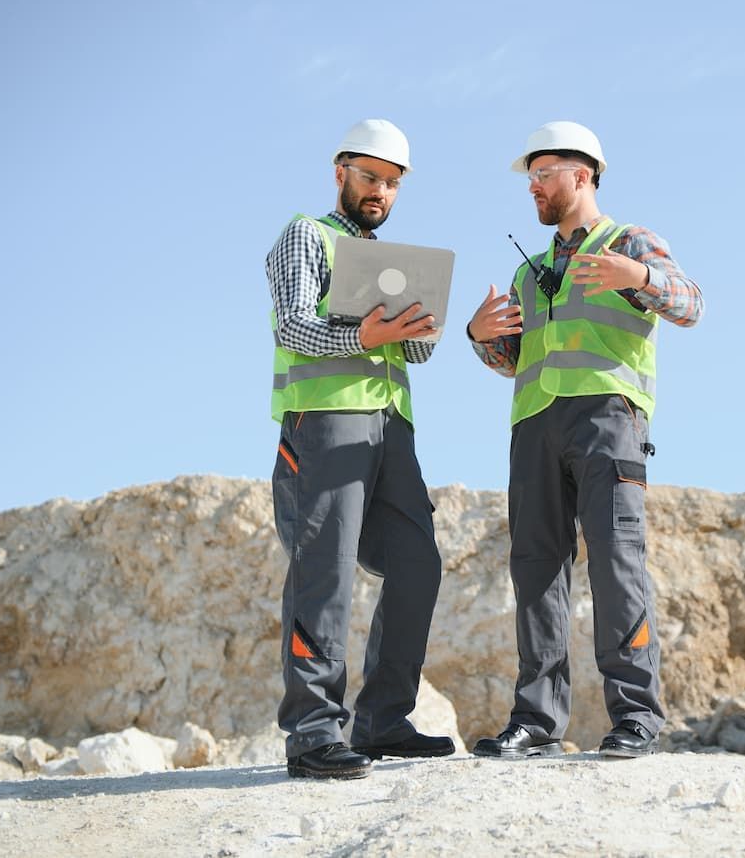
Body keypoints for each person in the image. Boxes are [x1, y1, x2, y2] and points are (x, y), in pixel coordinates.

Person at [466, 120, 704, 759]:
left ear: (582, 174)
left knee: (616, 559)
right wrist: (480, 334)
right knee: (536, 569)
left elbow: (691, 304)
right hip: (535, 423)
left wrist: (639, 276)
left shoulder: (631, 241)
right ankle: (536, 722)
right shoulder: (531, 271)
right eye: (531, 178)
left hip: (609, 418)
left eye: (543, 174)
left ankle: (636, 718)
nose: (534, 188)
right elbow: (513, 360)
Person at [265, 118, 453, 780]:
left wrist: (418, 325)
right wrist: (365, 337)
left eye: (392, 183)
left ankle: (381, 720)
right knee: (326, 573)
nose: (380, 191)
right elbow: (294, 324)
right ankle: (313, 732)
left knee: (418, 565)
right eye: (370, 176)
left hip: (390, 428)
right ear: (340, 170)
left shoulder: (392, 261)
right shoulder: (305, 235)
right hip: (324, 425)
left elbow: (421, 351)